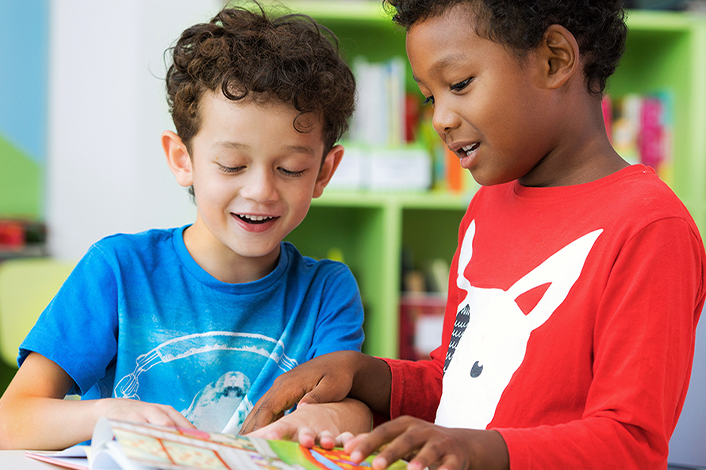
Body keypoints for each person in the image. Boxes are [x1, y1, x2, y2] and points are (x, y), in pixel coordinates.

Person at [240, 1, 706, 469]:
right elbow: (457, 382)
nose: (441, 118)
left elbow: (631, 445)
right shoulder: (487, 206)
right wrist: (361, 372)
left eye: (459, 84)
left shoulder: (649, 228)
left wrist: (478, 450)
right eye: (429, 97)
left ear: (555, 60)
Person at [0, 3, 368, 451]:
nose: (261, 191)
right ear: (182, 160)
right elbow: (11, 419)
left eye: (290, 168)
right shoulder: (118, 270)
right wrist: (108, 413)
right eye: (232, 165)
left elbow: (353, 409)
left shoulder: (327, 291)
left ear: (324, 173)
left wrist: (328, 415)